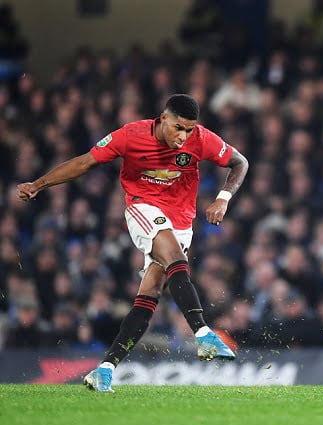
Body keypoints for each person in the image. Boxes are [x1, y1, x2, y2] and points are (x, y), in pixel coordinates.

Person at [17, 94, 249, 392]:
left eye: (189, 130)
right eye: (179, 127)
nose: (184, 136)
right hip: (143, 207)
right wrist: (38, 185)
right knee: (174, 257)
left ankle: (104, 369)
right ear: (162, 118)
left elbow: (240, 162)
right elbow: (85, 162)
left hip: (182, 219)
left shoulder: (200, 139)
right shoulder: (131, 135)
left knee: (150, 293)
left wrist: (223, 198)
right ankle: (203, 333)